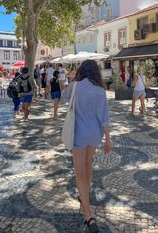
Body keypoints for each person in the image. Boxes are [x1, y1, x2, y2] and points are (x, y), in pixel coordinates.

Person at [65, 60, 111, 233]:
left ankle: (88, 215)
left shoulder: (75, 86)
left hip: (78, 133)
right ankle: (84, 196)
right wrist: (108, 139)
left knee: (79, 171)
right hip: (94, 134)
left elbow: (65, 99)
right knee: (87, 165)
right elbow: (104, 117)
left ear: (81, 71)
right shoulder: (100, 91)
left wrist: (70, 81)